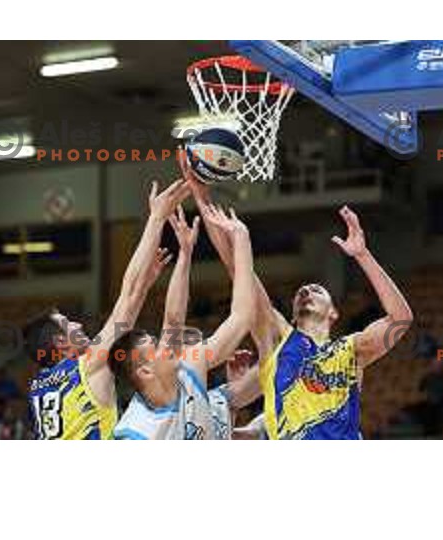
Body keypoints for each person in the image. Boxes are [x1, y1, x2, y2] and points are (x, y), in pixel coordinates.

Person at [179, 152, 413, 440]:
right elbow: (237, 269)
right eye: (302, 291)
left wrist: (363, 255)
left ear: (334, 313)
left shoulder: (351, 351)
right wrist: (200, 193)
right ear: (292, 313)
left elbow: (401, 319)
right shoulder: (277, 340)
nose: (306, 290)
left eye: (317, 289)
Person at [25, 179, 190, 439]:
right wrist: (157, 218)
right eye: (69, 324)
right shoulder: (87, 366)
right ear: (61, 342)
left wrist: (143, 285)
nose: (79, 325)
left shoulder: (37, 389)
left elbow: (132, 298)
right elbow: (129, 294)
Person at [109, 205, 257, 439]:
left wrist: (239, 240)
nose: (166, 343)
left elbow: (241, 316)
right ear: (146, 371)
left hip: (217, 414)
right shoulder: (135, 433)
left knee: (236, 393)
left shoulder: (188, 367)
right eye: (157, 346)